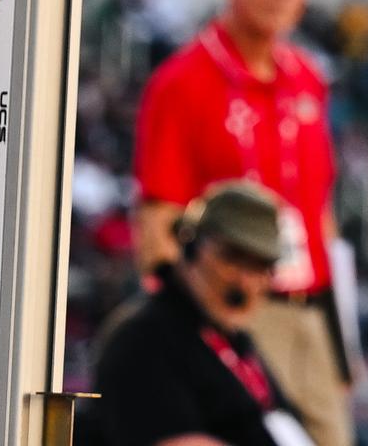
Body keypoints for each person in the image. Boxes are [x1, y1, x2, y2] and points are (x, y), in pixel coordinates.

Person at [132, 0, 351, 446]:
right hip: (233, 310)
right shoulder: (183, 81)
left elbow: (320, 216)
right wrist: (188, 334)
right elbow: (158, 220)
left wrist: (342, 341)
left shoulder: (308, 78)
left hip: (309, 314)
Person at [83, 182, 317, 446]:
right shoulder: (144, 338)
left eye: (260, 267)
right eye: (234, 259)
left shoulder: (233, 339)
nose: (246, 283)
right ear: (191, 246)